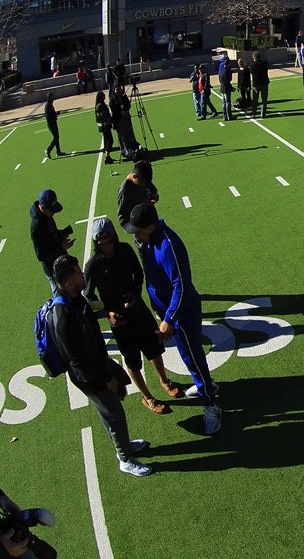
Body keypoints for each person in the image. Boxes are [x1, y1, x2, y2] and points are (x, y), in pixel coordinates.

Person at [47, 254, 154, 476]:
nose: (82, 274)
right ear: (68, 283)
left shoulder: (73, 297)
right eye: (78, 273)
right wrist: (106, 378)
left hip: (96, 366)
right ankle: (125, 459)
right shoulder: (63, 315)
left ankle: (123, 446)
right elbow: (78, 359)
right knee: (114, 413)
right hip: (90, 377)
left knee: (111, 411)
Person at [126, 203, 222, 435]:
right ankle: (205, 385)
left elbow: (182, 285)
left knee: (193, 355)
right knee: (187, 354)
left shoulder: (167, 245)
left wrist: (169, 318)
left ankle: (211, 403)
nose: (135, 234)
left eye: (138, 230)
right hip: (171, 313)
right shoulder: (151, 241)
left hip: (182, 313)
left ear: (150, 226)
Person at [85, 218, 183, 415]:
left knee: (154, 348)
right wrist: (107, 313)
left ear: (114, 238)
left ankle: (164, 380)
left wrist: (135, 295)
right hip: (118, 320)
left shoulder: (125, 251)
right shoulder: (93, 266)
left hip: (137, 309)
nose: (106, 247)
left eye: (108, 242)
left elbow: (138, 274)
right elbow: (89, 296)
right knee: (131, 360)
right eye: (101, 244)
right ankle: (147, 396)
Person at [30, 189, 73, 293]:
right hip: (52, 269)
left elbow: (52, 232)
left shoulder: (47, 215)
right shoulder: (36, 227)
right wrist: (61, 247)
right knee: (60, 298)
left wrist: (63, 233)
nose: (53, 213)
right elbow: (41, 255)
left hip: (61, 261)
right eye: (52, 210)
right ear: (43, 207)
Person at [116, 159, 159, 234]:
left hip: (149, 221)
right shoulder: (124, 191)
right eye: (143, 183)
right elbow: (123, 219)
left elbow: (153, 191)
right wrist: (143, 205)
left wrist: (154, 197)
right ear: (134, 176)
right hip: (139, 228)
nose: (145, 185)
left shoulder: (142, 180)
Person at [95, 91, 115, 164]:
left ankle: (108, 156)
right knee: (109, 140)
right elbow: (104, 116)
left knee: (108, 140)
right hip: (105, 126)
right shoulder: (100, 106)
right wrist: (111, 119)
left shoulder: (99, 105)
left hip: (104, 126)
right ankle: (107, 156)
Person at [250, 50, 270, 118]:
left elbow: (251, 73)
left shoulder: (252, 65)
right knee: (264, 99)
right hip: (264, 83)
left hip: (256, 84)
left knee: (255, 100)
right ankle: (263, 114)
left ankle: (254, 113)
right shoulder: (265, 63)